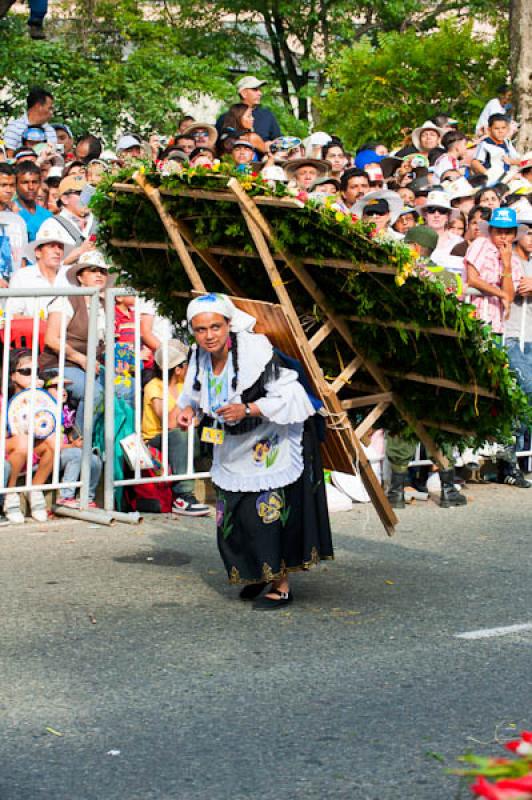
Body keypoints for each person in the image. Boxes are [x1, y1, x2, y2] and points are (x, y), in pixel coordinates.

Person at [177, 293, 333, 608]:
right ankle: (257, 573)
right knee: (232, 515)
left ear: (229, 325)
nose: (209, 336)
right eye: (201, 329)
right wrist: (187, 410)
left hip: (272, 440)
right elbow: (194, 392)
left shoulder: (258, 353)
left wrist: (248, 409)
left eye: (215, 327)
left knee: (269, 514)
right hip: (233, 444)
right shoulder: (199, 357)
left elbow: (293, 397)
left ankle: (282, 583)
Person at [385, 225, 468, 509]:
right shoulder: (449, 278)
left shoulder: (400, 275)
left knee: (402, 420)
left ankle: (395, 491)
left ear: (417, 248)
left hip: (404, 357)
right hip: (438, 361)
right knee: (438, 422)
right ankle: (447, 488)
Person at [142, 339, 209, 516]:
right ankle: (183, 496)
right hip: (157, 440)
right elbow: (170, 422)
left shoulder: (183, 385)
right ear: (178, 369)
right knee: (180, 433)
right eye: (187, 364)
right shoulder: (154, 386)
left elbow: (196, 415)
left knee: (212, 431)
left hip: (184, 434)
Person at [41, 250, 107, 428]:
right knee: (95, 393)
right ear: (80, 276)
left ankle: (117, 448)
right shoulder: (67, 298)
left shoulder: (104, 304)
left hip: (92, 366)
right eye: (93, 270)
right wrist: (81, 359)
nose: (99, 274)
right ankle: (78, 442)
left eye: (103, 271)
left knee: (128, 388)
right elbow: (52, 339)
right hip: (60, 364)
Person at [496, 215, 532, 488]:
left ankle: (515, 461)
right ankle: (508, 463)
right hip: (510, 336)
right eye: (529, 232)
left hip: (530, 337)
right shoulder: (504, 256)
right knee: (523, 393)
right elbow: (514, 290)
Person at [4, 350, 55, 524]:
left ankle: (35, 488)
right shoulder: (4, 398)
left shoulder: (41, 397)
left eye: (36, 372)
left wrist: (46, 403)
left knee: (53, 441)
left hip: (28, 447)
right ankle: (9, 493)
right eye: (26, 371)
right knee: (22, 441)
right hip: (8, 446)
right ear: (12, 375)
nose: (32, 376)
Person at [43, 372, 103, 508]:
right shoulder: (43, 412)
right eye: (57, 387)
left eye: (64, 387)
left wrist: (74, 442)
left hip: (63, 453)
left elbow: (68, 436)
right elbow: (49, 446)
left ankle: (87, 497)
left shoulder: (65, 411)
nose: (63, 391)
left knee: (95, 459)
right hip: (47, 458)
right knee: (77, 454)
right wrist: (73, 446)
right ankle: (65, 496)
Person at [465, 207, 521, 337]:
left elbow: (510, 296)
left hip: (496, 324)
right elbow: (472, 279)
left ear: (514, 234)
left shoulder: (515, 261)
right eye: (498, 231)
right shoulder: (480, 244)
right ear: (490, 231)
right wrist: (501, 294)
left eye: (508, 232)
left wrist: (507, 265)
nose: (503, 236)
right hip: (469, 318)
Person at [7, 221, 73, 319]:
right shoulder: (22, 276)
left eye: (60, 247)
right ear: (38, 252)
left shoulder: (71, 274)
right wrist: (44, 325)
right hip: (33, 333)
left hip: (68, 333)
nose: (57, 251)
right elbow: (12, 315)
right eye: (51, 246)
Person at [217, 76, 281, 148]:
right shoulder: (225, 118)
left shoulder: (267, 115)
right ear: (243, 93)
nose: (260, 93)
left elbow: (278, 142)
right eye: (255, 89)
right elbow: (218, 146)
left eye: (260, 90)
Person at [3, 89, 56, 157]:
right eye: (50, 108)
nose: (52, 112)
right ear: (38, 106)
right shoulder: (14, 127)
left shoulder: (50, 130)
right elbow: (9, 156)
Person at [0, 163, 28, 281]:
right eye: (3, 185)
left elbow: (23, 258)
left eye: (12, 185)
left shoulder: (18, 220)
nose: (9, 190)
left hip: (14, 288)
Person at [471, 114, 520, 180]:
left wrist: (511, 161)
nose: (500, 131)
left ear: (507, 129)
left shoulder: (507, 142)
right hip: (492, 179)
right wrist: (489, 175)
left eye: (503, 128)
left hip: (506, 177)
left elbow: (518, 159)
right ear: (489, 129)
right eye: (496, 128)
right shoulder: (485, 143)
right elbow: (475, 163)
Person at [13, 161, 52, 242]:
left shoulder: (47, 215)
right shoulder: (8, 212)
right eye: (25, 182)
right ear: (15, 184)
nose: (31, 187)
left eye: (34, 182)